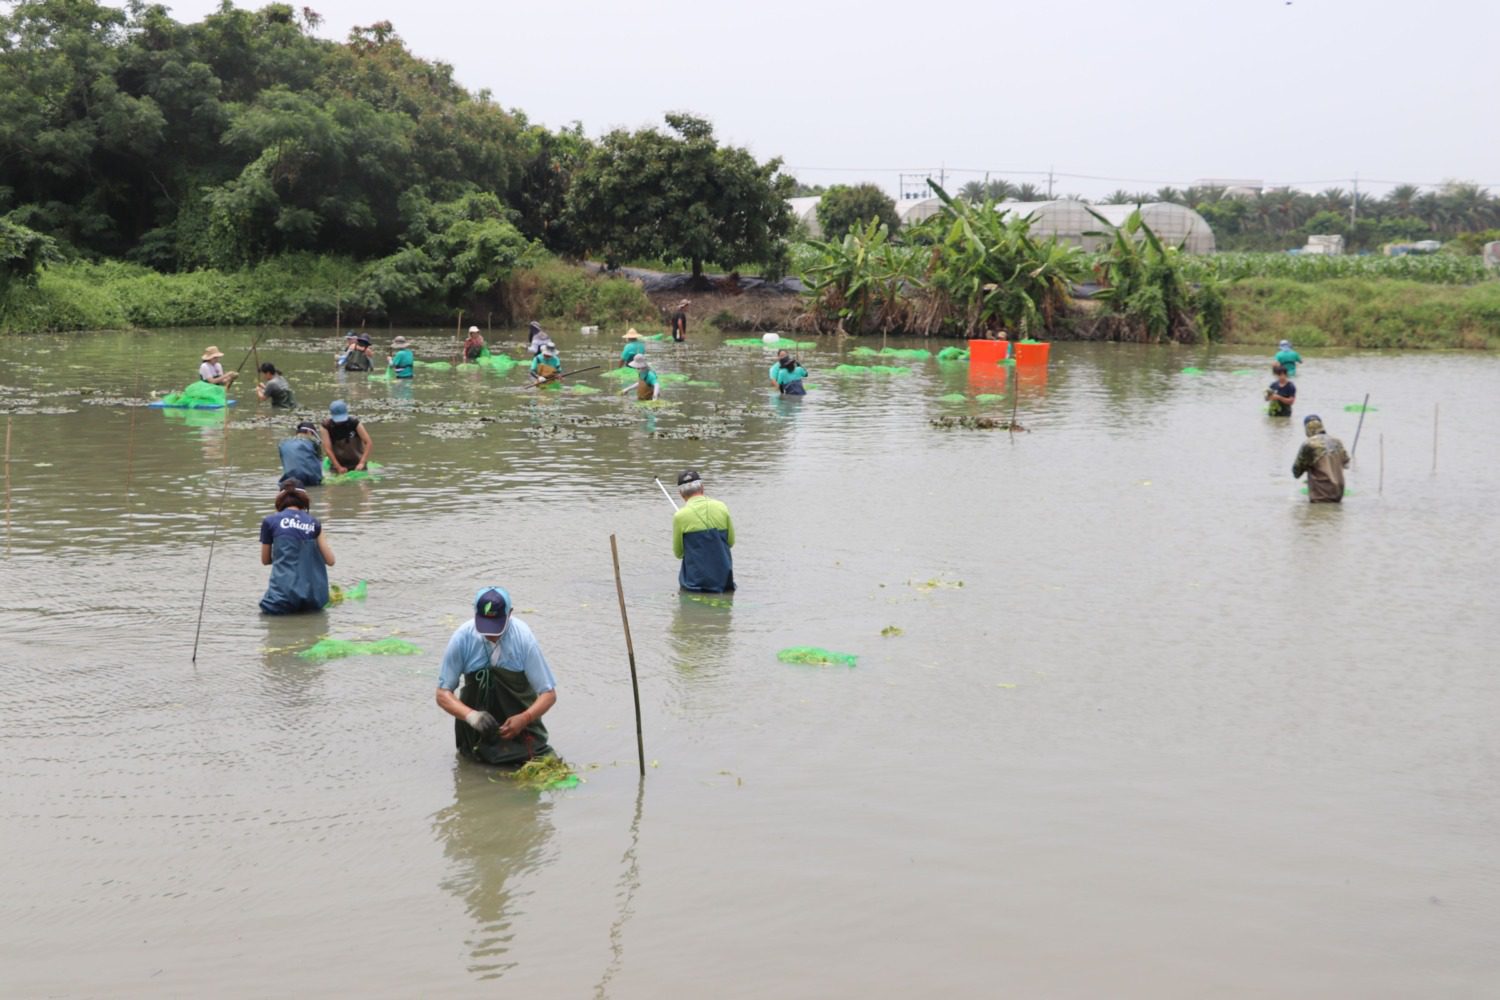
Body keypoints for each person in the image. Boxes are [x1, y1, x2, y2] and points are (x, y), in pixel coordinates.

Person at [434, 587, 558, 767]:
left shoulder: (523, 639)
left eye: (496, 627)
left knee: (544, 769)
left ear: (510, 614)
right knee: (473, 777)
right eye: (485, 626)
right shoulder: (462, 638)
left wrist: (524, 718)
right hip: (476, 737)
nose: (491, 634)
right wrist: (472, 717)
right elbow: (442, 694)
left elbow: (548, 694)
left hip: (522, 734)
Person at [259, 479, 334, 614]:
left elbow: (265, 560)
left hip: (281, 599)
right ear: (304, 499)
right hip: (313, 599)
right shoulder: (315, 523)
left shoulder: (270, 521)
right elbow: (330, 561)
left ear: (279, 499)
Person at [672, 469, 735, 593]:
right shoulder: (722, 507)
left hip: (694, 584)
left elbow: (678, 553)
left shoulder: (680, 516)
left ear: (681, 494)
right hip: (724, 581)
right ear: (702, 487)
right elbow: (731, 542)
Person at [1292, 414, 1350, 503]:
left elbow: (1296, 472)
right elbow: (1346, 463)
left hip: (1321, 494)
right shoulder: (1337, 442)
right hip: (1339, 492)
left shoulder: (1309, 444)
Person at [319, 399, 372, 473]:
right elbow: (328, 449)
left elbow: (368, 442)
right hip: (337, 464)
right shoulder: (326, 427)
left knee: (362, 483)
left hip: (357, 463)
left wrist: (362, 462)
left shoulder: (354, 423)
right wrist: (338, 467)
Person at [277, 420, 324, 487]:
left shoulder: (282, 443)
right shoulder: (314, 442)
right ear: (309, 432)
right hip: (310, 480)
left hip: (288, 479)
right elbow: (320, 462)